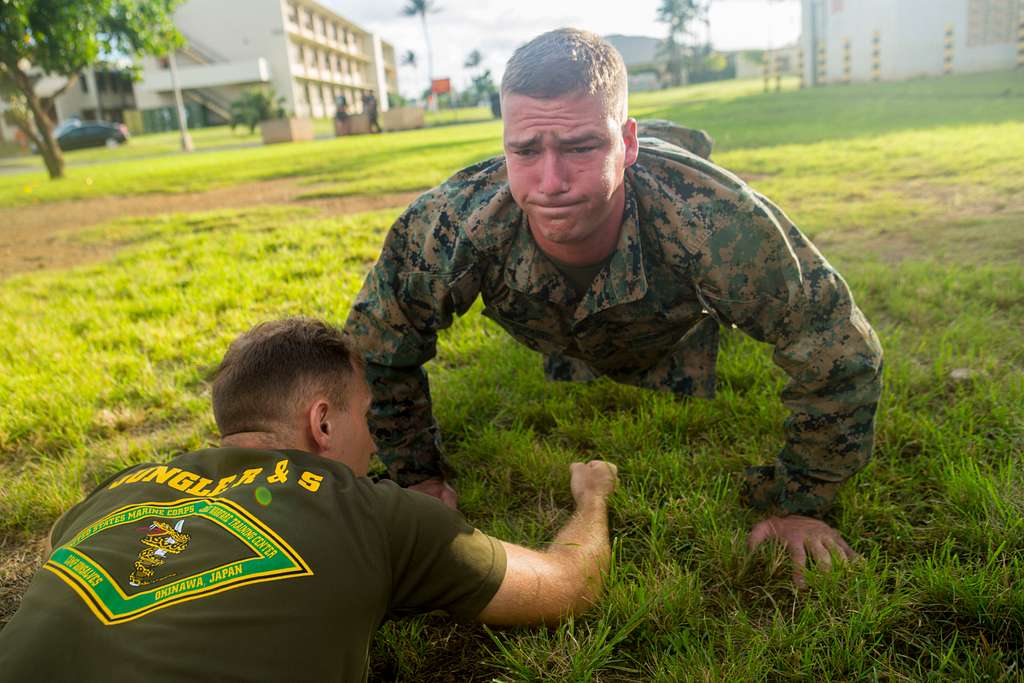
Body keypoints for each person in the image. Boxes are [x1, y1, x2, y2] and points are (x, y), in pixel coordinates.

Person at [343, 28, 882, 583]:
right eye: (525, 150)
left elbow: (836, 348)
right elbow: (374, 349)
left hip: (666, 313)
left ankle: (663, 146)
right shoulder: (453, 222)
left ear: (626, 141)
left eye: (581, 146)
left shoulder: (715, 220)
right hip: (551, 322)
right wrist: (417, 478)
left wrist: (801, 502)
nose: (550, 182)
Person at [0, 318, 618, 681]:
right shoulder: (374, 510)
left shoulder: (115, 489)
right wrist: (592, 497)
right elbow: (571, 584)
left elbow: (64, 556)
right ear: (322, 423)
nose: (375, 447)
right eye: (368, 419)